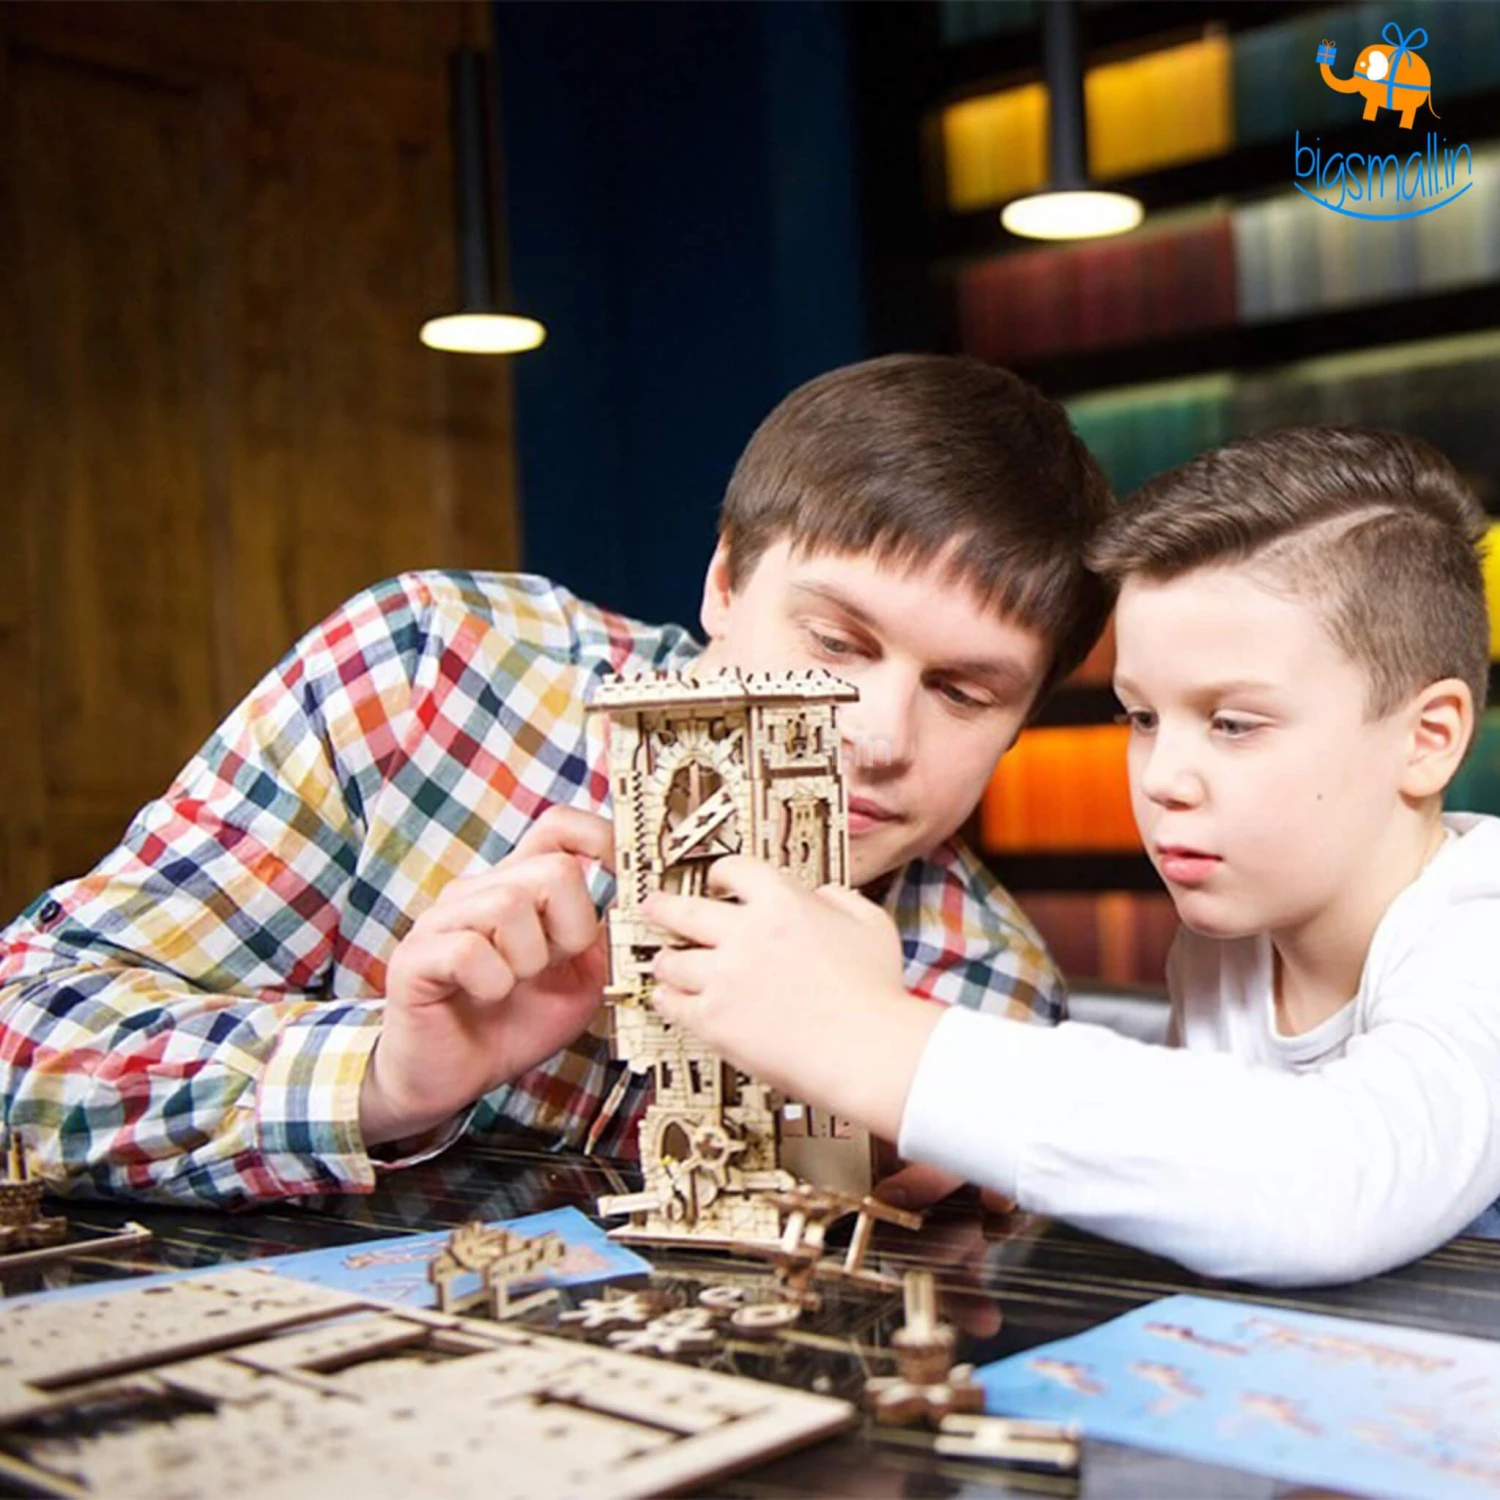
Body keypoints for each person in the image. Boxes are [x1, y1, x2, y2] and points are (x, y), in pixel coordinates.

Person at [0, 354, 1114, 1206]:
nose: (875, 737)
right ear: (724, 582)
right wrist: (381, 1076)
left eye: (966, 693)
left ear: (1022, 721)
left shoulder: (989, 1002)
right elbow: (22, 1036)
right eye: (835, 640)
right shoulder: (428, 667)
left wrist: (845, 1139)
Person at [645, 426, 1500, 1287]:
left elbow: (1331, 1189)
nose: (1163, 779)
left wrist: (876, 1040)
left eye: (1234, 724)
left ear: (1428, 739)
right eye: (1143, 718)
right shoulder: (1228, 944)